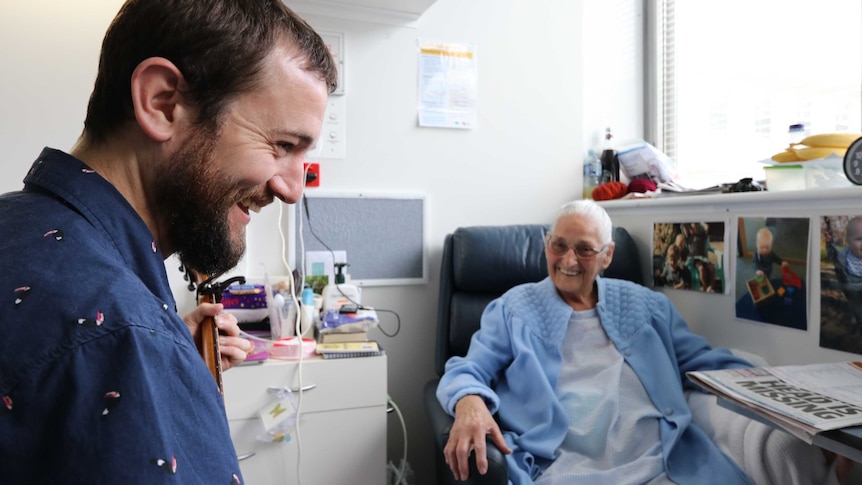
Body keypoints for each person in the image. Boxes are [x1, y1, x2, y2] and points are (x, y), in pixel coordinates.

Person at [0, 1, 338, 483]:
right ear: (163, 104)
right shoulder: (124, 339)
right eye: (282, 145)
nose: (292, 189)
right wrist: (152, 359)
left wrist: (170, 352)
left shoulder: (16, 224)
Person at [436, 200, 848, 485]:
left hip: (652, 454)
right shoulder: (513, 309)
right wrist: (469, 402)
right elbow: (468, 368)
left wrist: (789, 391)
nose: (568, 260)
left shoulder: (646, 305)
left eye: (584, 249)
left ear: (607, 256)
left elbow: (702, 361)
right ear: (547, 244)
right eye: (559, 245)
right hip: (559, 461)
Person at [826, 216, 862, 333]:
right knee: (857, 309)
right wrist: (829, 244)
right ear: (848, 242)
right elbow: (833, 255)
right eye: (859, 239)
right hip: (851, 288)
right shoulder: (843, 255)